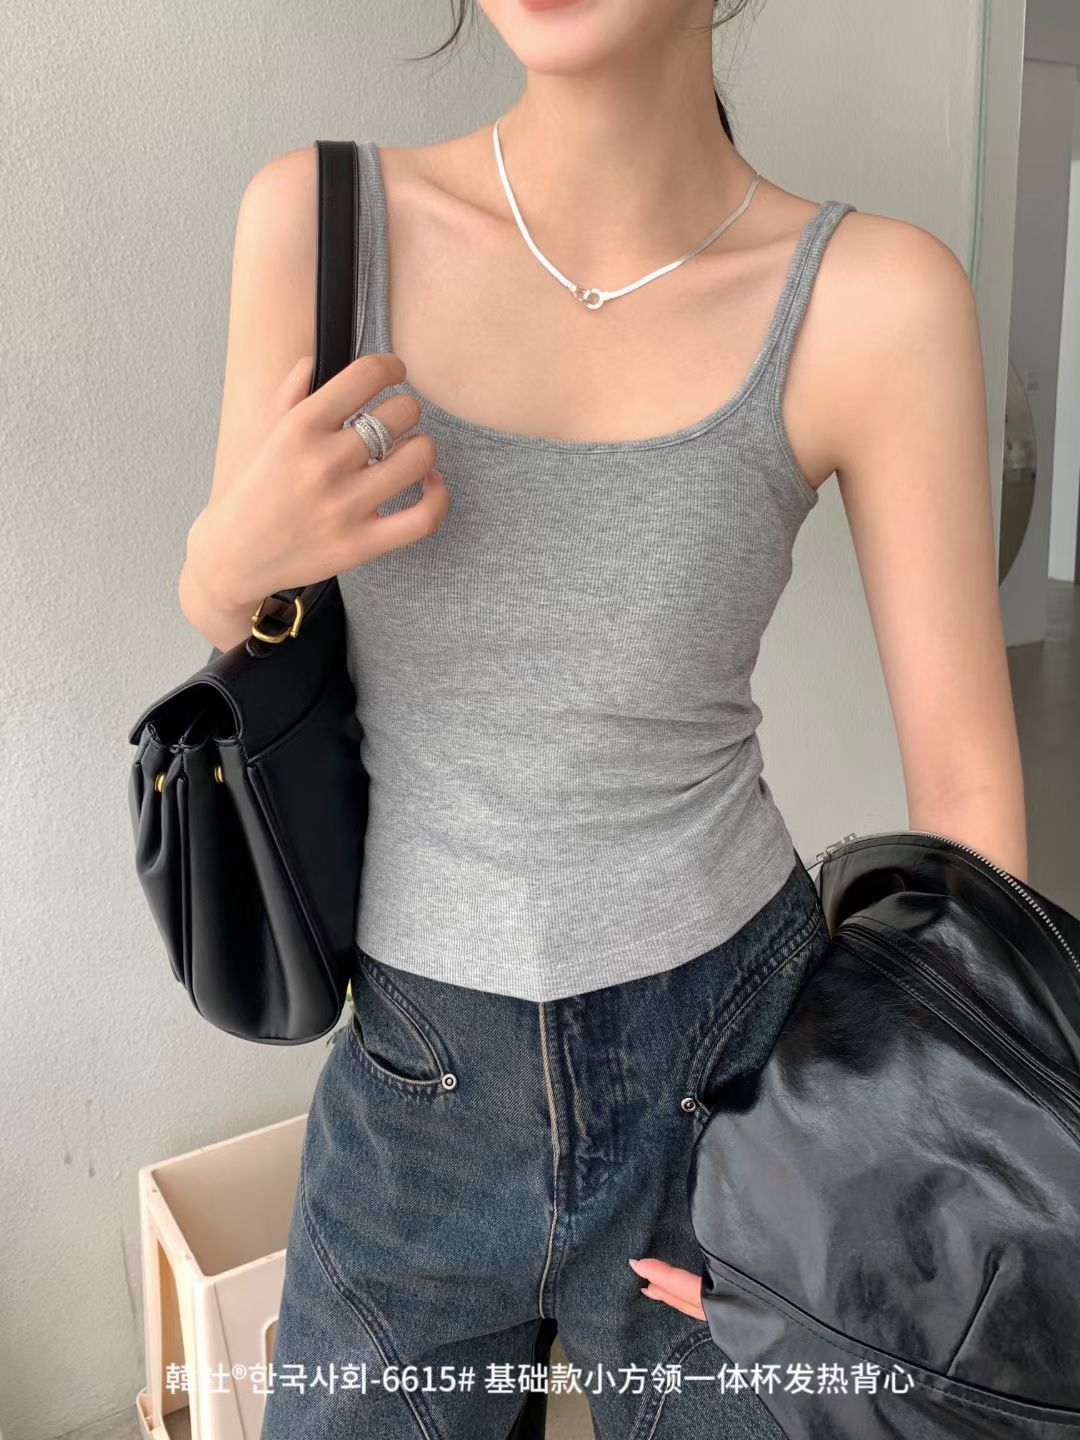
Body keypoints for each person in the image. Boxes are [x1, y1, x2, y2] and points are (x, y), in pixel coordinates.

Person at [178, 2, 1027, 1435]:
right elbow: (236, 648)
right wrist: (220, 565)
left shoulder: (874, 297)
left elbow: (968, 805)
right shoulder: (318, 227)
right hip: (413, 1093)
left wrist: (888, 1189)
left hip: (737, 1073)